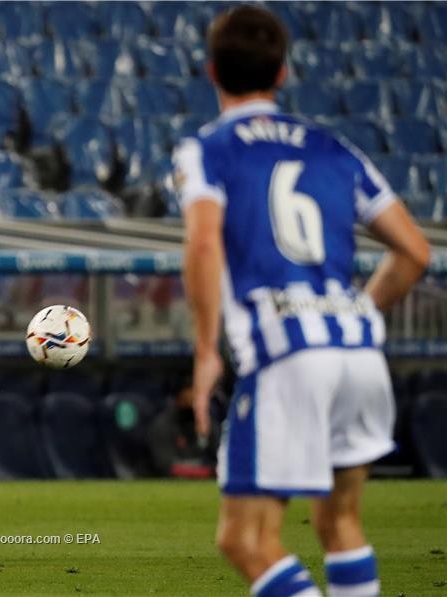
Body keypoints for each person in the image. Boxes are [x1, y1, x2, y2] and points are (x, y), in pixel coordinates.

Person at [175, 6, 430, 597]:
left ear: (211, 71)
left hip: (287, 356)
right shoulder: (335, 149)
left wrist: (207, 348)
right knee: (340, 523)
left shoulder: (207, 149)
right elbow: (415, 252)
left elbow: (204, 240)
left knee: (245, 541)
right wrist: (359, 311)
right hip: (358, 351)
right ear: (284, 73)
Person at [147, 375, 218, 479]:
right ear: (179, 394)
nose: (196, 397)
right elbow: (166, 466)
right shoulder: (163, 425)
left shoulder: (209, 423)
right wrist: (204, 471)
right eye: (192, 390)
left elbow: (220, 462)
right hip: (169, 486)